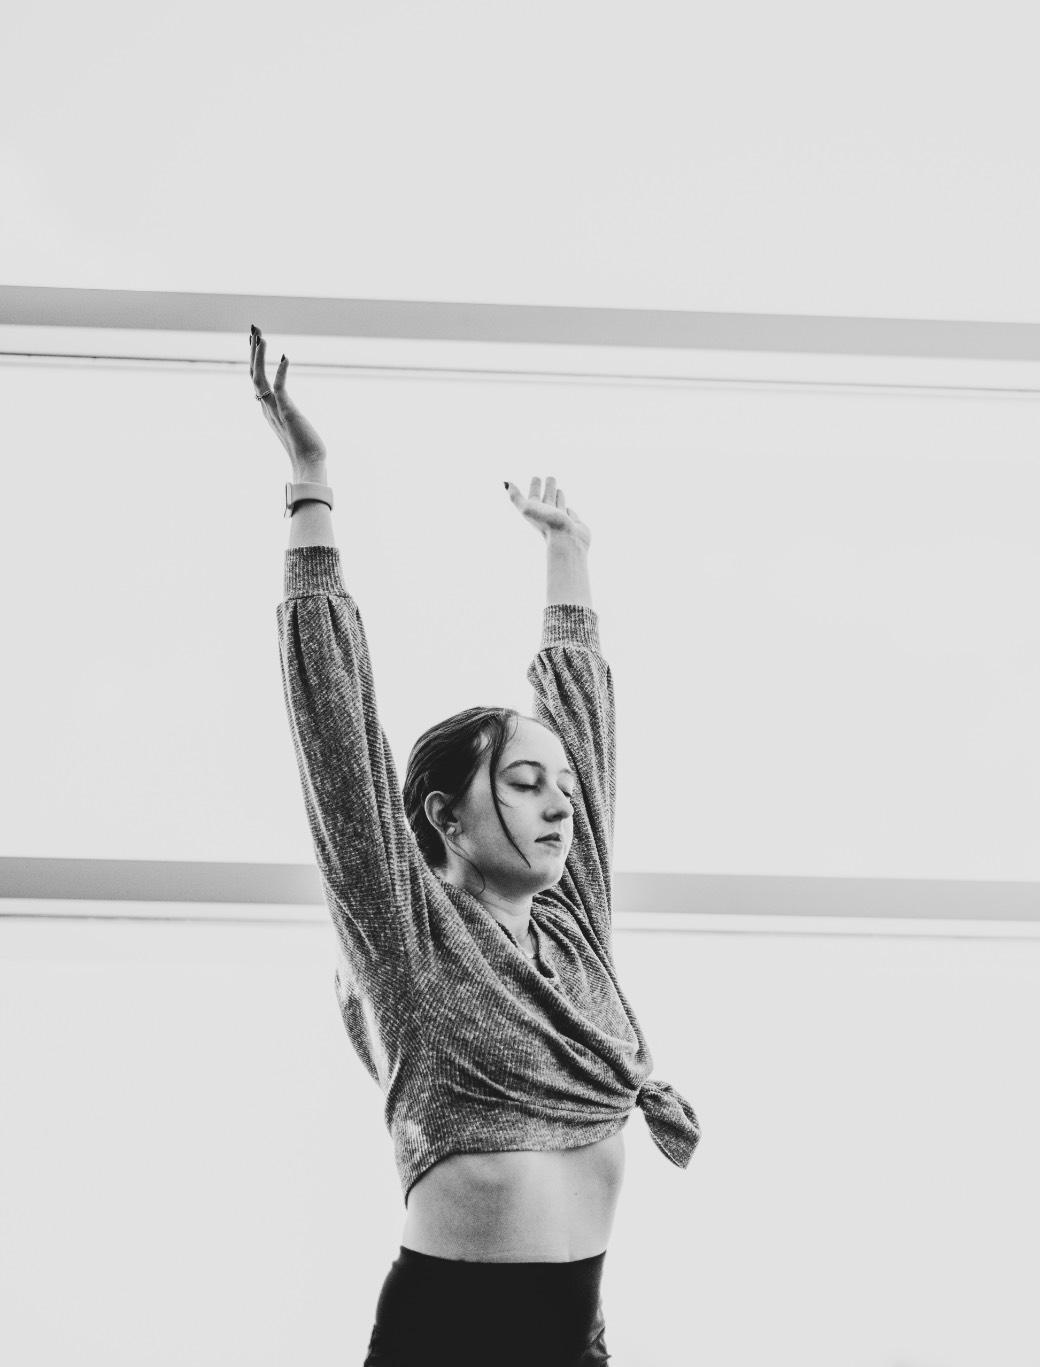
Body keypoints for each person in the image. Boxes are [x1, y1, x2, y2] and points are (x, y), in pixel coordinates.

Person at [254, 325, 700, 1366]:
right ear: (446, 818)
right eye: (520, 782)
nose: (558, 807)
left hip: (574, 1338)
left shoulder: (571, 932)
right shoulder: (408, 939)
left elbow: (580, 717)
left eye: (562, 790)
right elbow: (336, 739)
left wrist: (566, 551)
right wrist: (310, 487)